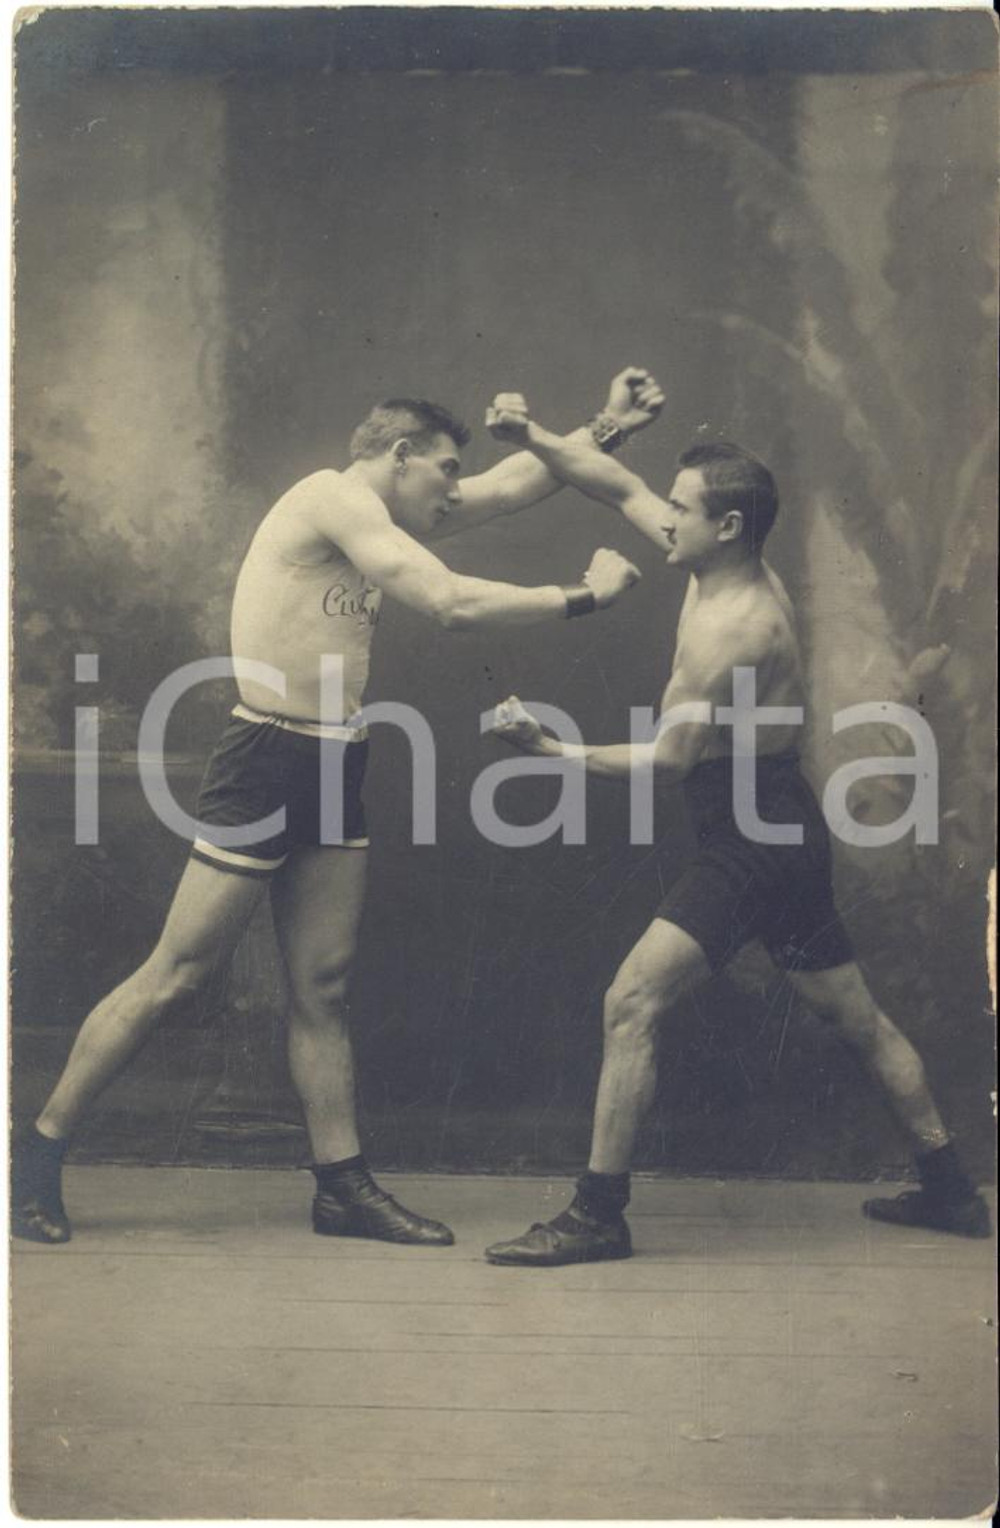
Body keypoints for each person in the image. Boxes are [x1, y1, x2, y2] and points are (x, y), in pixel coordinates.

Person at [11, 369, 666, 1247]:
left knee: (322, 986)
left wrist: (606, 428)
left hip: (335, 756)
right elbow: (449, 601)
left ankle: (341, 1188)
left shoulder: (387, 507)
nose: (452, 490)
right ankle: (36, 1157)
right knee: (178, 973)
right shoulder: (329, 499)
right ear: (399, 457)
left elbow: (511, 487)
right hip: (267, 755)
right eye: (441, 470)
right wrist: (585, 597)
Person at [480, 393, 991, 1267]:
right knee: (856, 1017)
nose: (663, 517)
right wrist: (530, 436)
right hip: (778, 822)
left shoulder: (734, 631)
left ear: (727, 525)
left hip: (753, 836)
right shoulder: (720, 562)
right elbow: (610, 482)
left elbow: (671, 762)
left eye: (680, 510)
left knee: (630, 1003)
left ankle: (597, 1214)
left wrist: (547, 745)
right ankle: (950, 1188)